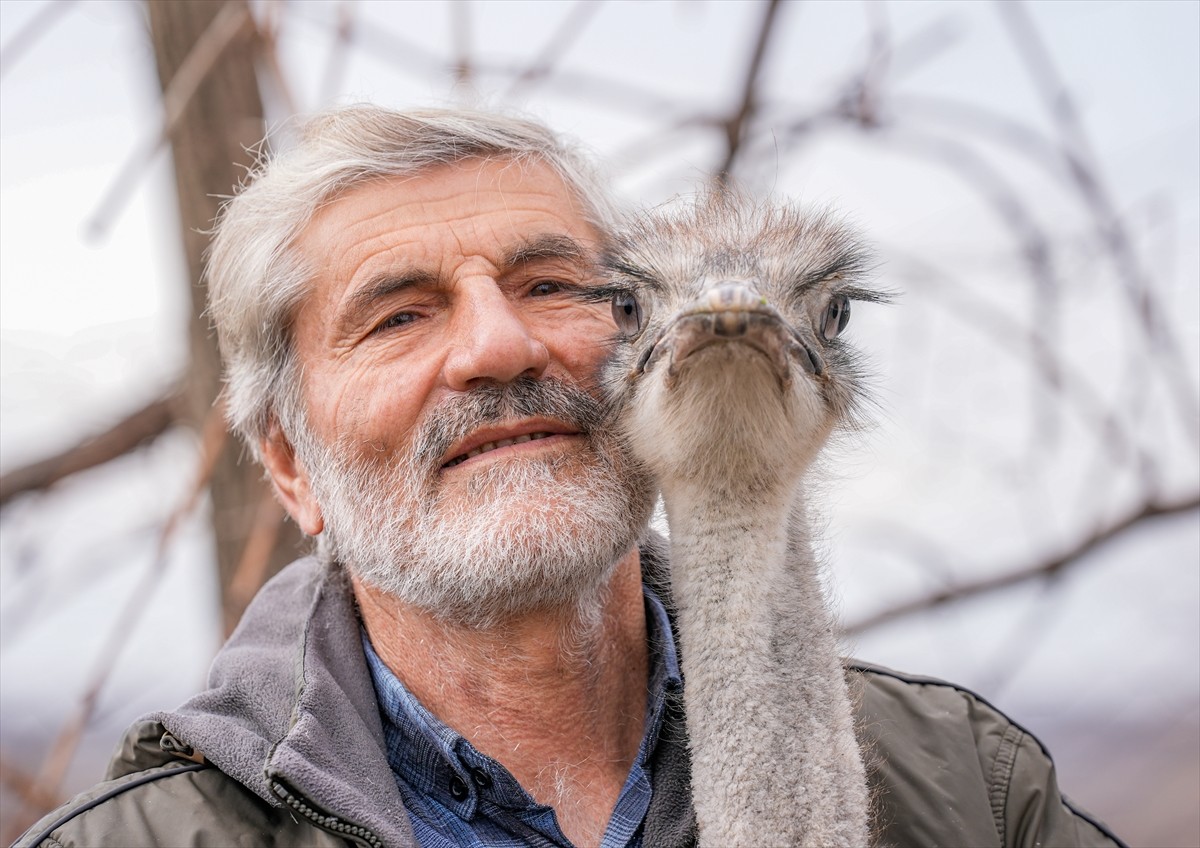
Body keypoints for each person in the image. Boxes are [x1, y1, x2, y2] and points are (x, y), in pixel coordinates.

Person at [15, 105, 1124, 848]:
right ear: (293, 468)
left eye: (558, 286)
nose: (500, 346)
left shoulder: (970, 795)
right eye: (401, 314)